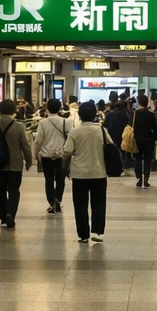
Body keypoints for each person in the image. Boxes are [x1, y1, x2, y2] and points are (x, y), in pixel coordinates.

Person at [62, 100, 109, 243]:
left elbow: (67, 152)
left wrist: (64, 169)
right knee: (99, 203)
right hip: (99, 172)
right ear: (95, 114)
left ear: (80, 115)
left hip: (79, 174)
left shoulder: (75, 132)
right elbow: (111, 146)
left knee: (80, 205)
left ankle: (83, 235)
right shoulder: (101, 130)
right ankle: (98, 232)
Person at [0, 99, 32, 230]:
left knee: (0, 191)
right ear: (14, 110)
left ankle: (3, 217)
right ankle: (11, 213)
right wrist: (29, 160)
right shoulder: (19, 126)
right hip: (15, 164)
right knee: (14, 191)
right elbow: (25, 146)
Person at [33, 98, 71, 214]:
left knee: (48, 180)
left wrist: (35, 153)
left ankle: (51, 203)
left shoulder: (43, 123)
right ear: (60, 108)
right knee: (61, 180)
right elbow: (70, 139)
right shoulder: (66, 122)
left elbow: (38, 140)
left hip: (46, 155)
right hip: (62, 155)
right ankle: (57, 201)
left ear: (47, 108)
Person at [132, 93, 157, 189]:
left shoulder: (134, 114)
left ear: (139, 102)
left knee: (138, 158)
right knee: (148, 160)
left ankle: (139, 178)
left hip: (137, 139)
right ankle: (146, 179)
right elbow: (155, 129)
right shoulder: (151, 115)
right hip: (148, 139)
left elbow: (130, 126)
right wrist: (155, 137)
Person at [103, 96, 132, 166]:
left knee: (115, 150)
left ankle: (116, 164)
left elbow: (105, 125)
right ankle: (124, 164)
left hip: (112, 135)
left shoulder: (109, 114)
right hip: (124, 135)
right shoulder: (128, 113)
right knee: (124, 151)